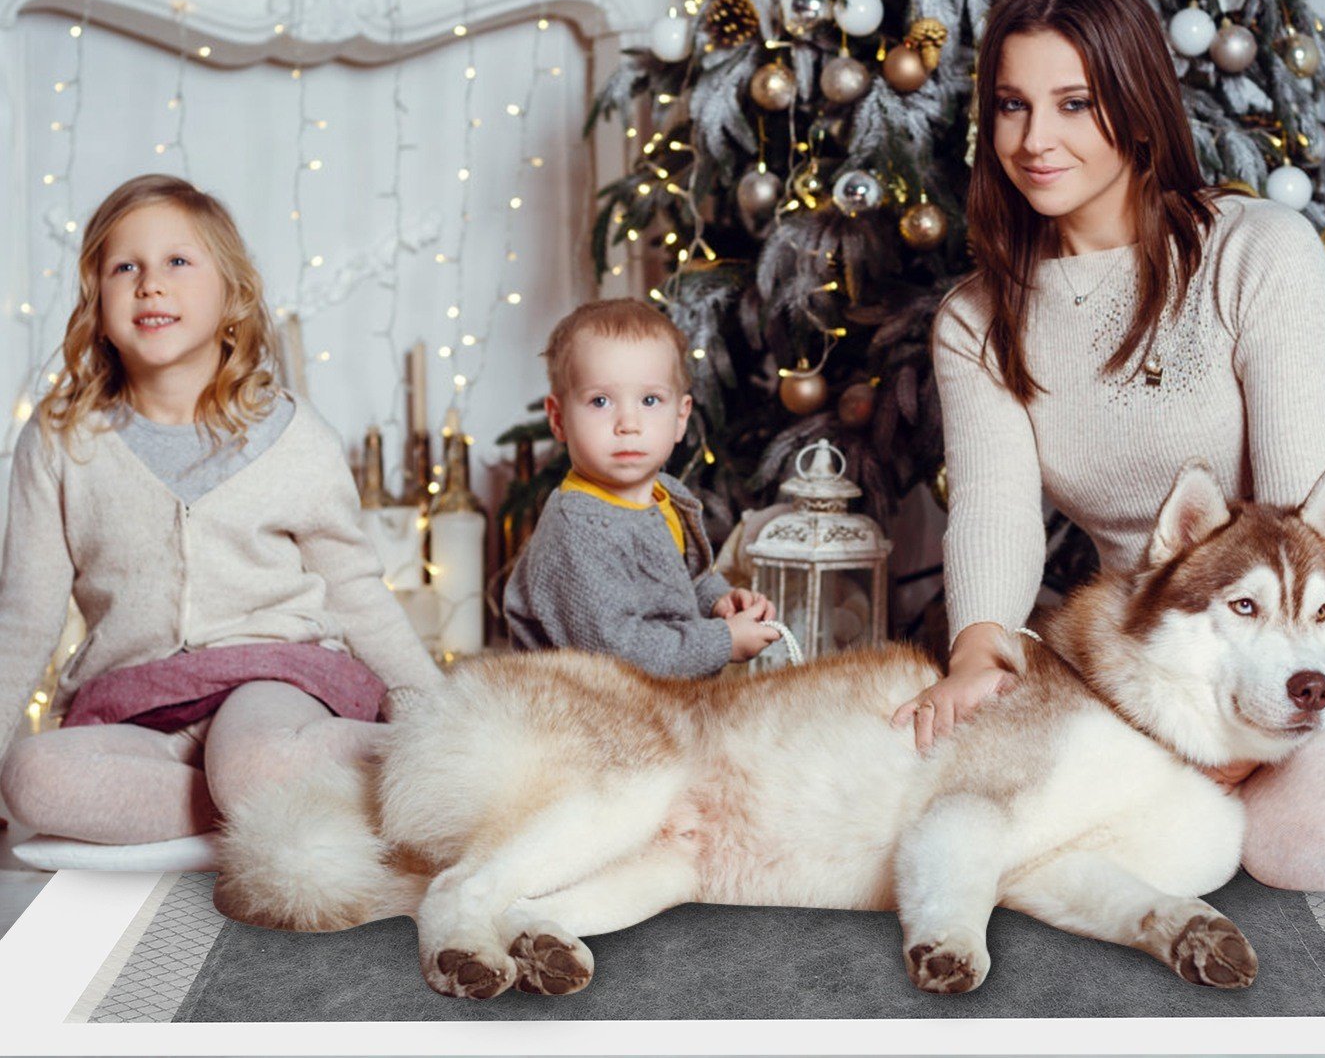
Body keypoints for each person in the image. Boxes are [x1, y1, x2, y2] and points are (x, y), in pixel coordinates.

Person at [893, 0, 1325, 891]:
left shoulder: (1257, 249)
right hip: (1184, 639)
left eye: (1073, 104)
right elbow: (995, 508)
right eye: (1013, 106)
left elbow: (1301, 512)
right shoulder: (977, 320)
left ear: (1137, 108)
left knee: (1286, 839)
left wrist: (1235, 749)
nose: (1035, 139)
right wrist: (979, 648)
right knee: (1108, 801)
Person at [0, 174, 441, 846]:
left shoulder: (294, 436)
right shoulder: (62, 440)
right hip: (137, 702)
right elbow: (26, 617)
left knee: (254, 756)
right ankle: (268, 800)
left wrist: (431, 714)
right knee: (32, 777)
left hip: (273, 679)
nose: (151, 284)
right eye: (125, 268)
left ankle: (381, 764)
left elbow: (355, 592)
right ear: (96, 300)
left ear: (232, 293)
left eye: (178, 261)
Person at [503, 298, 780, 676]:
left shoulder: (666, 494)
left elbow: (681, 582)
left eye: (650, 400)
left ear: (680, 417)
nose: (628, 424)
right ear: (558, 419)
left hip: (658, 693)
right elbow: (616, 654)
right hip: (579, 700)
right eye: (600, 401)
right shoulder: (577, 530)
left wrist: (719, 602)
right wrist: (723, 641)